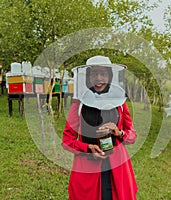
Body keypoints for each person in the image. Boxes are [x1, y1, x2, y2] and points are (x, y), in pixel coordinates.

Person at [62, 55, 138, 200]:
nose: (98, 78)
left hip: (117, 166)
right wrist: (88, 148)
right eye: (94, 74)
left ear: (109, 76)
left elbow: (132, 135)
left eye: (103, 73)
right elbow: (67, 141)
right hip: (88, 167)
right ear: (88, 78)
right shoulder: (79, 104)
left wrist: (119, 132)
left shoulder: (120, 103)